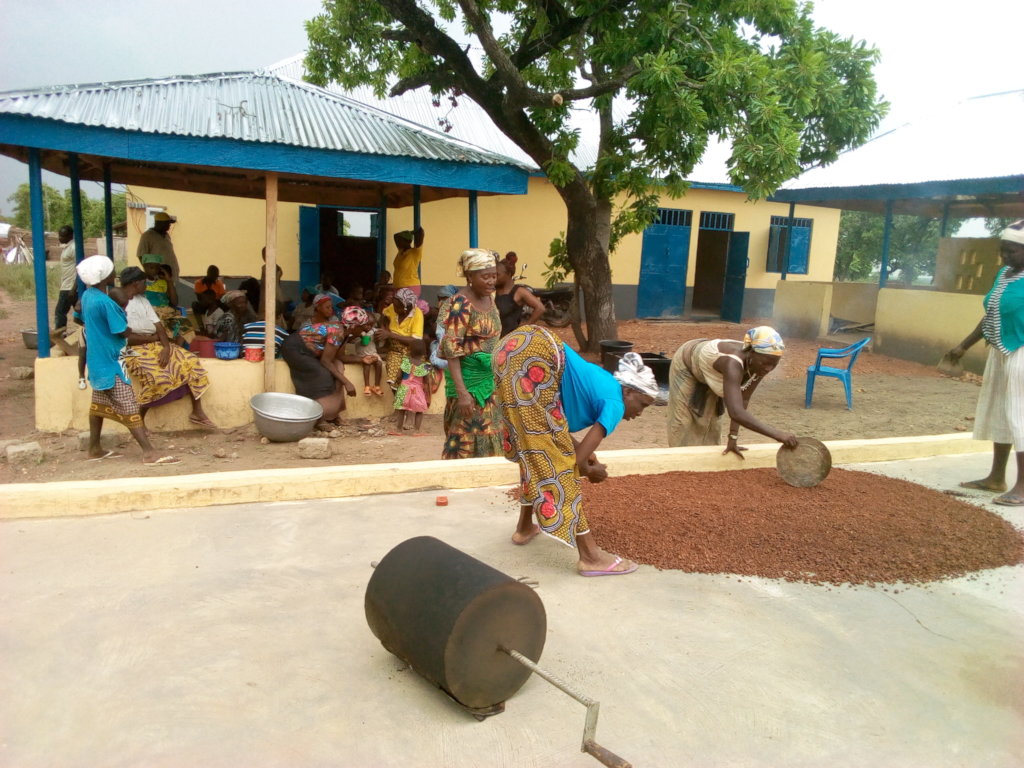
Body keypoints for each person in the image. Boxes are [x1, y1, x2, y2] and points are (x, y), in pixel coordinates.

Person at [493, 326, 660, 575]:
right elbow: (575, 464)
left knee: (534, 449)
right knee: (557, 465)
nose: (639, 413)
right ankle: (590, 556)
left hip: (509, 348)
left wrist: (585, 454)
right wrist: (592, 471)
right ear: (628, 391)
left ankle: (524, 527)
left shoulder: (604, 383)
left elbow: (552, 431)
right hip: (536, 352)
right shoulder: (615, 402)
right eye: (643, 404)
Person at [947, 219, 1024, 506]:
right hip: (1001, 352)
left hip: (1021, 352)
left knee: (1020, 416)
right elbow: (991, 314)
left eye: (1012, 251)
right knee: (1000, 413)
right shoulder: (1004, 275)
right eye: (1003, 250)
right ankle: (996, 478)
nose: (1004, 256)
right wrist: (963, 345)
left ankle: (1022, 487)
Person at [76, 255, 178, 465]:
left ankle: (94, 448)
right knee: (129, 405)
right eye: (112, 270)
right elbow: (122, 331)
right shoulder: (105, 303)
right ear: (105, 276)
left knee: (98, 406)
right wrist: (133, 329)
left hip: (97, 360)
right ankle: (149, 452)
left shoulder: (88, 295)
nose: (115, 273)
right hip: (111, 361)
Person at [666, 326, 798, 454]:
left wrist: (733, 438)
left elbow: (743, 400)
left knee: (712, 424)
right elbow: (736, 413)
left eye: (774, 364)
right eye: (765, 363)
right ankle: (678, 462)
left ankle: (706, 464)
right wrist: (777, 434)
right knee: (683, 422)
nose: (768, 368)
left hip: (712, 369)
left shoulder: (759, 364)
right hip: (687, 363)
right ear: (751, 353)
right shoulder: (732, 363)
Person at [119, 267, 216, 428]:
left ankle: (197, 412)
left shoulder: (143, 300)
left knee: (191, 361)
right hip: (133, 348)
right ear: (135, 283)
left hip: (155, 344)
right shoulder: (117, 303)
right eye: (144, 282)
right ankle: (139, 421)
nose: (146, 286)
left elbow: (159, 326)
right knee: (158, 378)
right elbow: (124, 337)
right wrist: (152, 339)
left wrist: (166, 347)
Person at [439, 249, 503, 459]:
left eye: (494, 276)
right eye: (485, 277)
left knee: (492, 435)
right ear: (469, 276)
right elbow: (451, 350)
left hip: (489, 382)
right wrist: (462, 393)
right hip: (468, 386)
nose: (491, 281)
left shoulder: (490, 299)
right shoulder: (460, 304)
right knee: (464, 438)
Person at [281, 295, 357, 425]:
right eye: (364, 327)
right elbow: (325, 361)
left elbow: (338, 357)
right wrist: (347, 382)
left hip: (312, 353)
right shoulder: (337, 331)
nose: (367, 330)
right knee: (321, 374)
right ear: (354, 326)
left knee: (338, 366)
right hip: (295, 348)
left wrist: (362, 359)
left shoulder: (345, 333)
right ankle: (317, 417)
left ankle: (333, 414)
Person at [376, 287, 424, 390]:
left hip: (411, 351)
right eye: (394, 304)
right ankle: (398, 397)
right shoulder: (392, 307)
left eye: (397, 307)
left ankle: (404, 397)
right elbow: (383, 315)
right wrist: (383, 328)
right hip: (394, 351)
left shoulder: (417, 314)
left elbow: (416, 341)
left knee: (407, 378)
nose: (393, 307)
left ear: (405, 308)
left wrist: (390, 334)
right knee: (392, 378)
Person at [495, 252, 546, 336]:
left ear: (508, 274)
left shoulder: (519, 292)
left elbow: (540, 308)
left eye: (497, 275)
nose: (494, 278)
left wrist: (524, 329)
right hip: (493, 339)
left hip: (510, 339)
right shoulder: (493, 290)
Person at [389, 338, 433, 435]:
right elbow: (426, 381)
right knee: (419, 411)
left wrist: (398, 382)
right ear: (424, 353)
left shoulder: (405, 362)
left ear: (409, 350)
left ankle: (398, 430)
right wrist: (426, 392)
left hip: (403, 388)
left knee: (401, 409)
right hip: (417, 391)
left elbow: (399, 376)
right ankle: (416, 431)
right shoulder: (426, 366)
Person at [340, 305, 384, 396]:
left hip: (372, 354)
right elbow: (348, 341)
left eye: (371, 325)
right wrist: (358, 335)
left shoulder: (373, 331)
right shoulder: (354, 332)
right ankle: (367, 386)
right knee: (366, 365)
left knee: (379, 364)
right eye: (366, 325)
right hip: (362, 355)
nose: (368, 328)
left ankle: (376, 386)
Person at [136, 211, 179, 279]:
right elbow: (141, 255)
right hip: (159, 275)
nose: (169, 225)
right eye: (168, 223)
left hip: (170, 274)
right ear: (160, 223)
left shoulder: (166, 235)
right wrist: (149, 273)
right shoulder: (147, 235)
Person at [53, 225, 77, 336]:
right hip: (68, 285)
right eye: (59, 235)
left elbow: (80, 268)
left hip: (70, 287)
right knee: (81, 312)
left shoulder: (73, 248)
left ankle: (60, 336)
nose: (60, 238)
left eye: (62, 236)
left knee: (60, 311)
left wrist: (74, 288)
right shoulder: (68, 247)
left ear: (70, 236)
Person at [392, 227, 425, 297]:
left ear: (408, 241)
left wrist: (413, 233)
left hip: (410, 286)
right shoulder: (401, 251)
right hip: (397, 286)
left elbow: (421, 232)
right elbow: (395, 236)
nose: (398, 242)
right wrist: (409, 233)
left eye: (401, 240)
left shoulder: (415, 252)